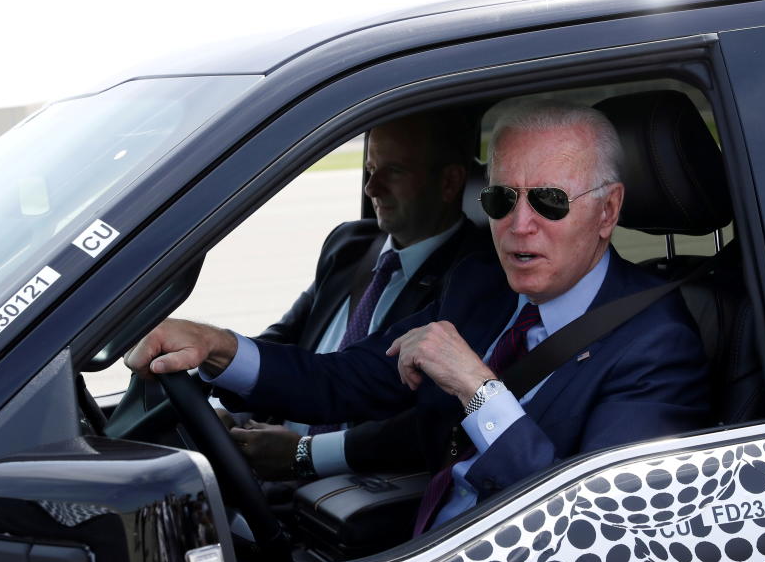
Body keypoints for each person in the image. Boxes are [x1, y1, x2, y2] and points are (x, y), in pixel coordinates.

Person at [126, 101, 710, 533]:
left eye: (550, 201)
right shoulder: (481, 287)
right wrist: (216, 346)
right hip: (424, 550)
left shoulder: (657, 344)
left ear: (607, 211)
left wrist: (477, 390)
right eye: (502, 199)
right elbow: (343, 378)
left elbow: (601, 531)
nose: (519, 225)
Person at [215, 111, 488, 481]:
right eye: (370, 168)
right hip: (269, 454)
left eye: (393, 171)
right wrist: (222, 395)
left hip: (351, 485)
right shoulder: (349, 245)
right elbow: (286, 337)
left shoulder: (472, 278)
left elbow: (416, 418)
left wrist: (301, 452)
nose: (371, 188)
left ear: (450, 182)